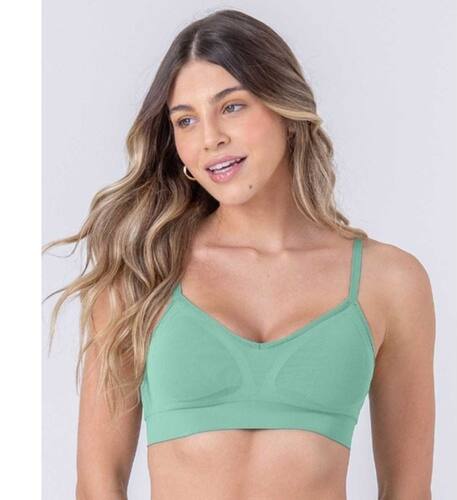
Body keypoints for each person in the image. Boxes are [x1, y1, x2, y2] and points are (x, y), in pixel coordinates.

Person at [43, 8, 436, 500]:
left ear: (286, 110)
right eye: (186, 120)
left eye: (231, 107)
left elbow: (408, 490)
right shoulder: (142, 273)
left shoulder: (390, 281)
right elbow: (97, 483)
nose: (210, 138)